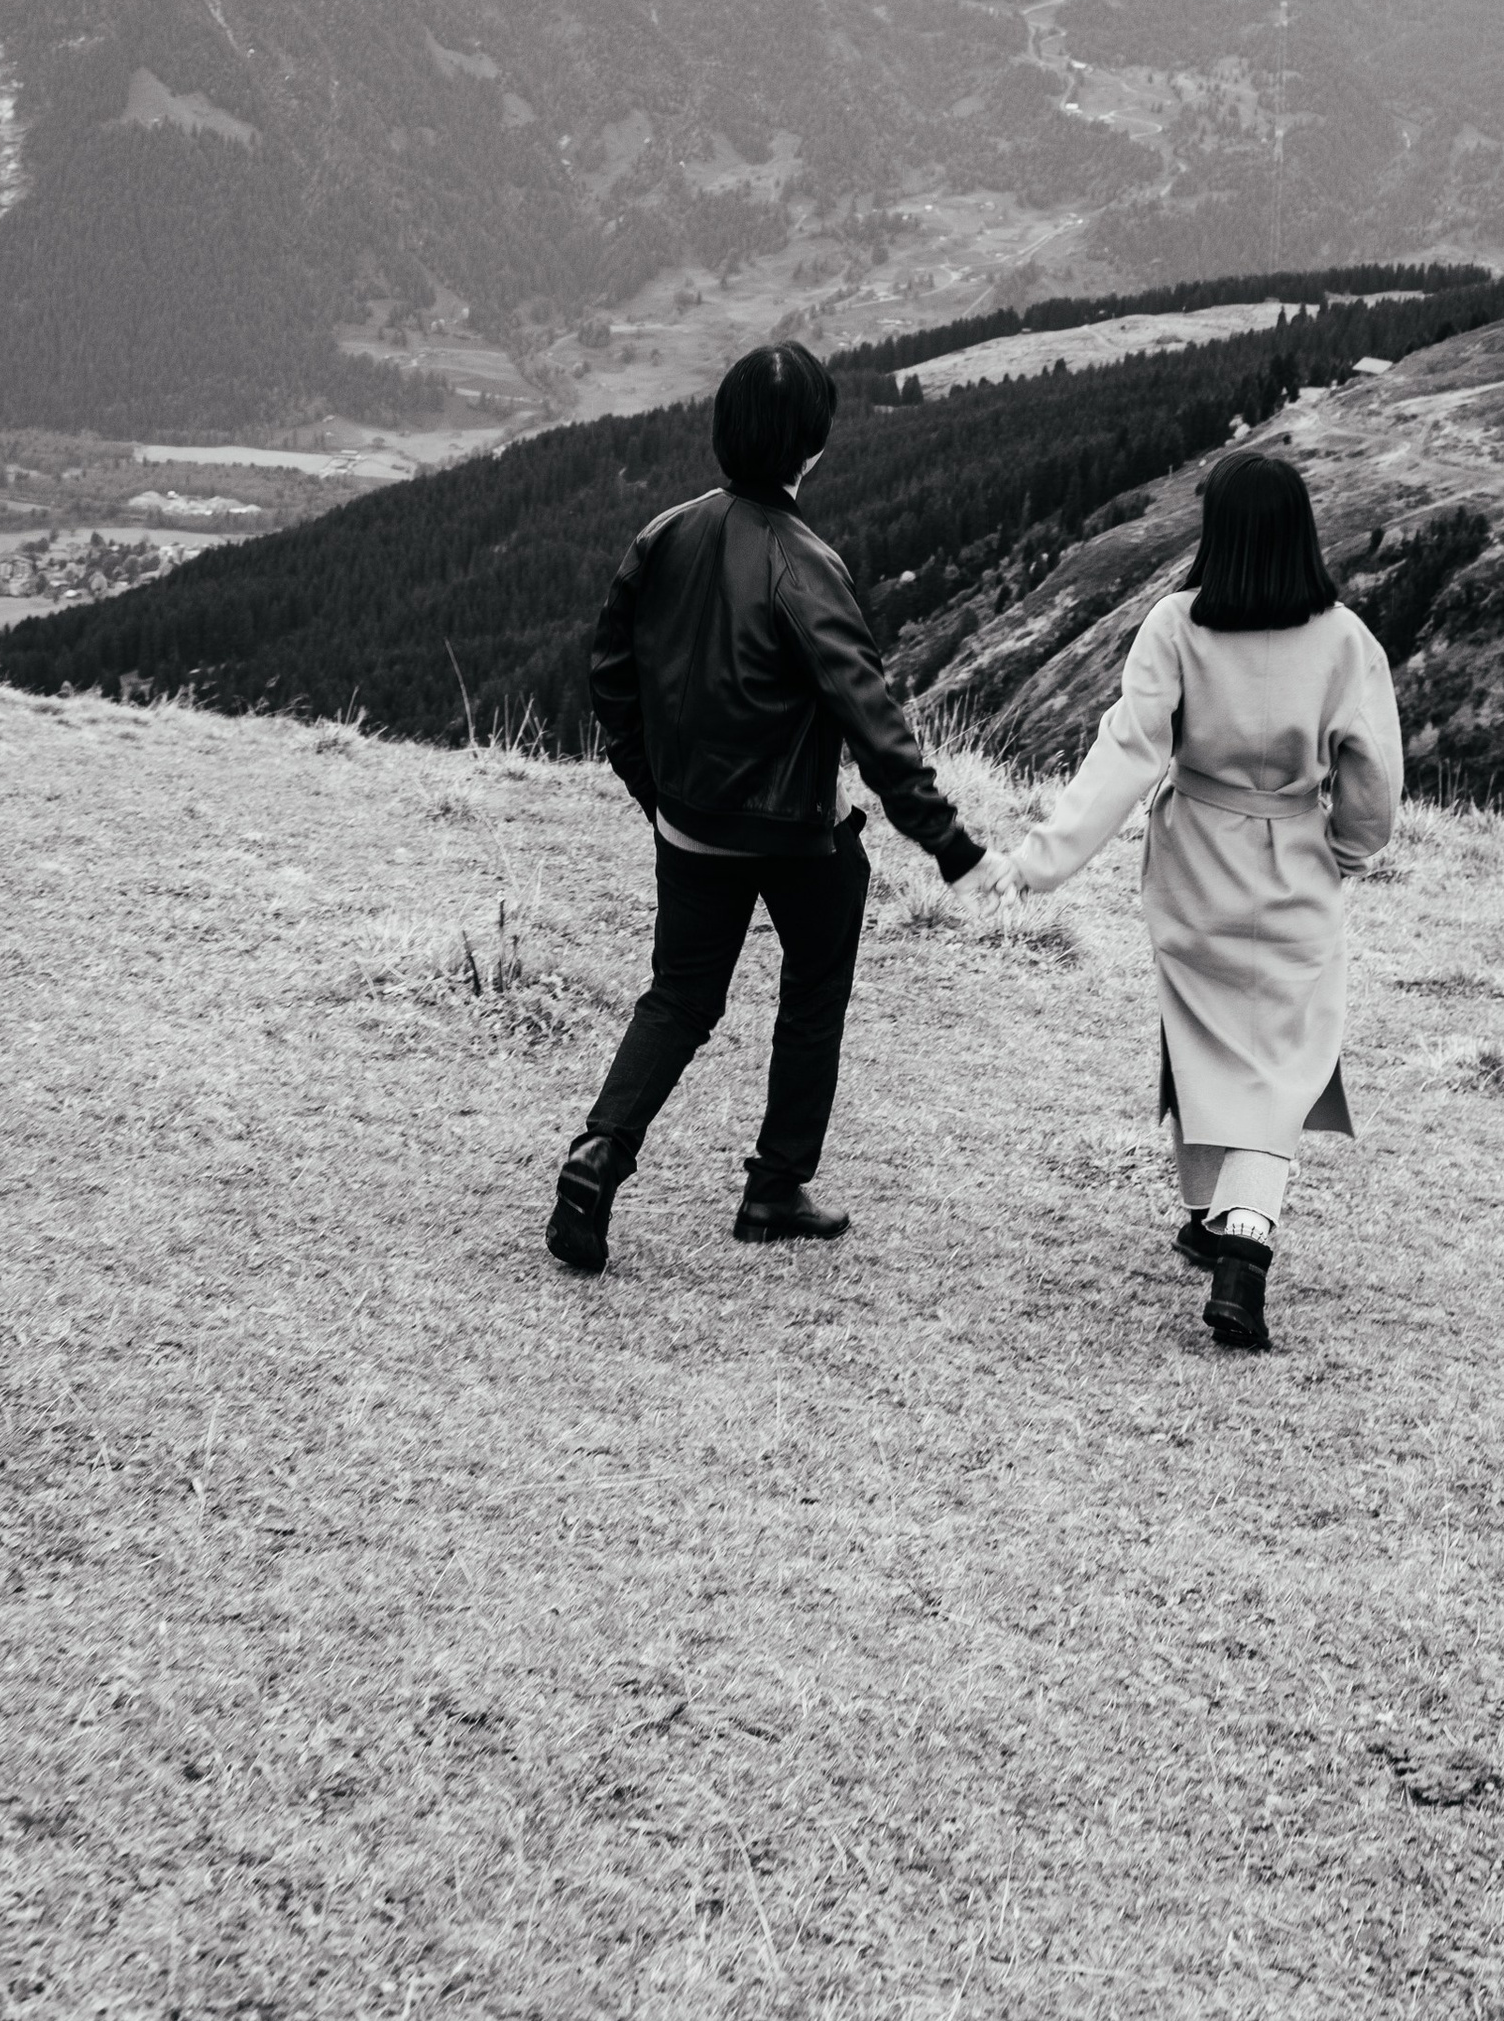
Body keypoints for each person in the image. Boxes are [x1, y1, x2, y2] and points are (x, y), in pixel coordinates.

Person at [545, 340, 989, 1275]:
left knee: (680, 996)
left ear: (723, 428)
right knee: (815, 988)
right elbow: (870, 716)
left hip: (688, 824)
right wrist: (946, 840)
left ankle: (598, 1154)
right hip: (796, 832)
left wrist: (655, 790)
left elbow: (610, 672)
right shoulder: (806, 563)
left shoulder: (664, 533)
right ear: (812, 447)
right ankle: (775, 1187)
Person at [985, 449, 1400, 1353]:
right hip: (1294, 863)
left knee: (1205, 1034)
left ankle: (1211, 1216)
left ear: (1220, 534)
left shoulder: (1175, 625)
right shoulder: (1345, 640)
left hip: (1194, 866)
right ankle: (1241, 1248)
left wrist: (1040, 863)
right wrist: (1346, 849)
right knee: (1279, 1059)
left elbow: (1126, 755)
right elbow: (1372, 780)